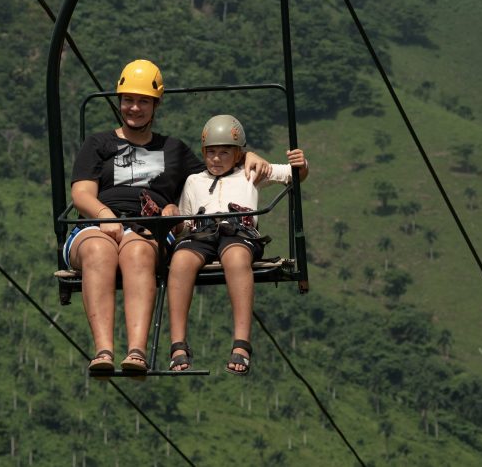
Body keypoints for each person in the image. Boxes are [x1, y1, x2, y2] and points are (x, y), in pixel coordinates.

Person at [65, 61, 270, 374]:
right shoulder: (99, 144)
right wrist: (106, 215)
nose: (134, 108)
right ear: (119, 102)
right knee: (98, 250)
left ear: (155, 104)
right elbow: (81, 194)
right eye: (128, 100)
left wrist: (249, 156)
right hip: (98, 223)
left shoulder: (173, 150)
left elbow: (217, 170)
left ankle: (136, 351)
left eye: (143, 101)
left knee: (136, 252)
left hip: (150, 229)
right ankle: (103, 351)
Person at [167, 114, 308, 375]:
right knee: (180, 262)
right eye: (211, 153)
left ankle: (241, 344)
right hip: (201, 231)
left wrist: (301, 164)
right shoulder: (193, 181)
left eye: (224, 153)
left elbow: (293, 175)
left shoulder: (251, 173)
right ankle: (178, 344)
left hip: (238, 231)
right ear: (203, 153)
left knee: (236, 259)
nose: (216, 159)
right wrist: (175, 221)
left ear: (238, 154)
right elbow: (186, 224)